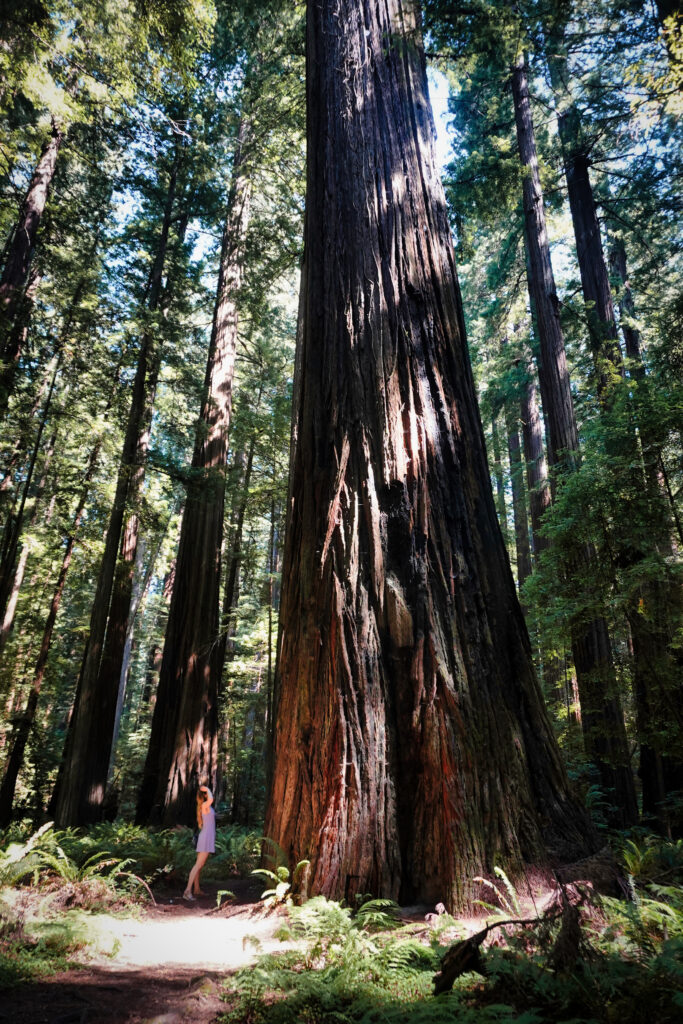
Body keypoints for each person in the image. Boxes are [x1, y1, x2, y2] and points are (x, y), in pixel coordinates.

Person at [183, 785, 215, 901]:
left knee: (199, 865)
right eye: (207, 793)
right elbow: (211, 799)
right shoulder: (205, 805)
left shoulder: (205, 806)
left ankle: (196, 889)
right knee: (197, 865)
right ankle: (187, 891)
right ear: (205, 795)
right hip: (205, 838)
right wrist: (207, 789)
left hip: (206, 836)